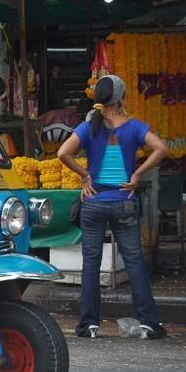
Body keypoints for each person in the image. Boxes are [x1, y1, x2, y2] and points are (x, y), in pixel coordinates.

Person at [57, 75, 168, 339]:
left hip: (94, 203)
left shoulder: (88, 127)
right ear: (121, 99)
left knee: (91, 265)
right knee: (134, 263)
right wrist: (137, 174)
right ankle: (149, 323)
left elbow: (62, 153)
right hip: (124, 202)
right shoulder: (134, 127)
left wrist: (85, 176)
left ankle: (88, 325)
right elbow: (161, 148)